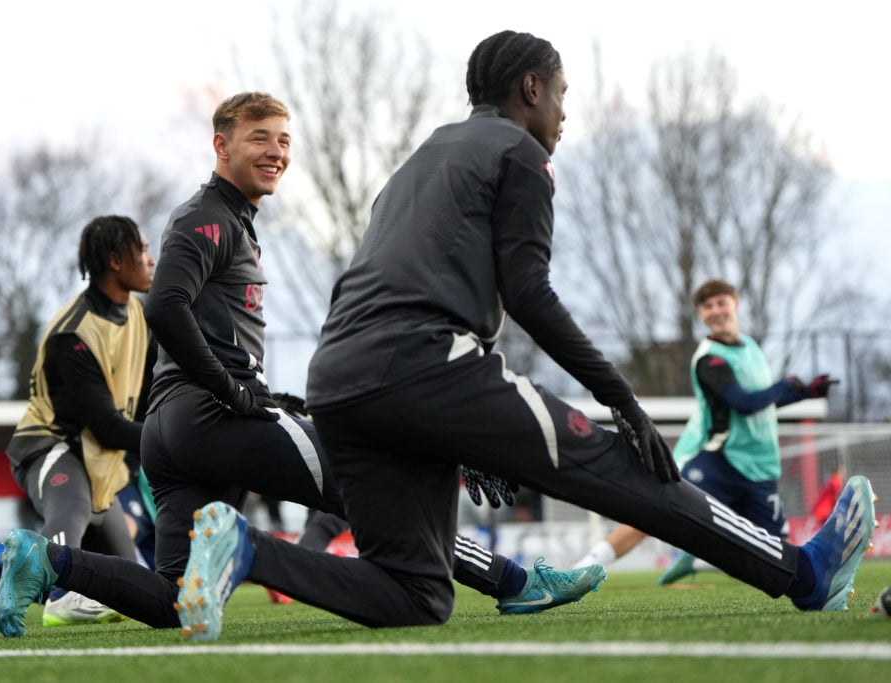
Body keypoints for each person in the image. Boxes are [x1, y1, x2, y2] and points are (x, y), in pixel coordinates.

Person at [127, 31, 868, 642]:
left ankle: (250, 551)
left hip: (343, 376)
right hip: (426, 365)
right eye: (562, 94)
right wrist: (621, 398)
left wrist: (458, 423)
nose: (565, 115)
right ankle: (804, 573)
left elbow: (375, 284)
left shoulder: (417, 162)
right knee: (626, 466)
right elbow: (529, 293)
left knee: (416, 589)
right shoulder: (521, 155)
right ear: (531, 90)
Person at [0, 91, 605, 639]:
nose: (276, 151)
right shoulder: (207, 216)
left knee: (176, 600)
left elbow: (191, 323)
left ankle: (48, 563)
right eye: (259, 137)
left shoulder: (233, 222)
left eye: (284, 140)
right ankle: (517, 582)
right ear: (220, 145)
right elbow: (168, 307)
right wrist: (233, 391)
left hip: (178, 433)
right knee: (391, 492)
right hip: (211, 419)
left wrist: (251, 393)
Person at [0, 215, 156, 628]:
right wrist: (174, 443)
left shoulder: (140, 316)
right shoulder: (72, 335)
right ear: (115, 261)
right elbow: (105, 426)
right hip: (51, 448)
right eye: (142, 249)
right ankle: (61, 595)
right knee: (71, 512)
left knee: (132, 590)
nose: (151, 258)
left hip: (101, 461)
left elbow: (142, 406)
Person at [572, 279, 838, 583]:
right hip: (716, 459)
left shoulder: (750, 347)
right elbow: (744, 403)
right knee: (652, 511)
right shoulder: (709, 359)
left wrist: (807, 393)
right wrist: (787, 385)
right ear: (700, 314)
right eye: (708, 306)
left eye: (721, 303)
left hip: (760, 467)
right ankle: (583, 569)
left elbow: (763, 402)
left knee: (778, 558)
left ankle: (695, 563)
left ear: (735, 304)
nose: (716, 310)